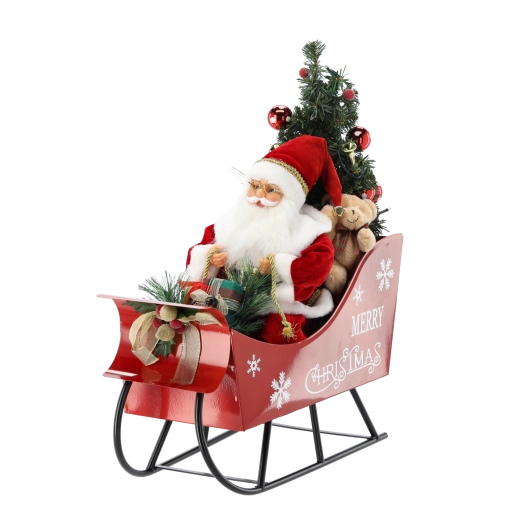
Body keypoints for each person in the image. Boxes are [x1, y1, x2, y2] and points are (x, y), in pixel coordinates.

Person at [185, 135, 343, 343]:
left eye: (271, 190)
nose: (259, 194)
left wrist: (279, 266)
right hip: (225, 299)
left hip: (273, 306)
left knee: (276, 333)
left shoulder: (305, 230)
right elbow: (200, 249)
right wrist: (210, 257)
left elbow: (320, 262)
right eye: (255, 185)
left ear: (289, 197)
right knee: (201, 327)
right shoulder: (229, 221)